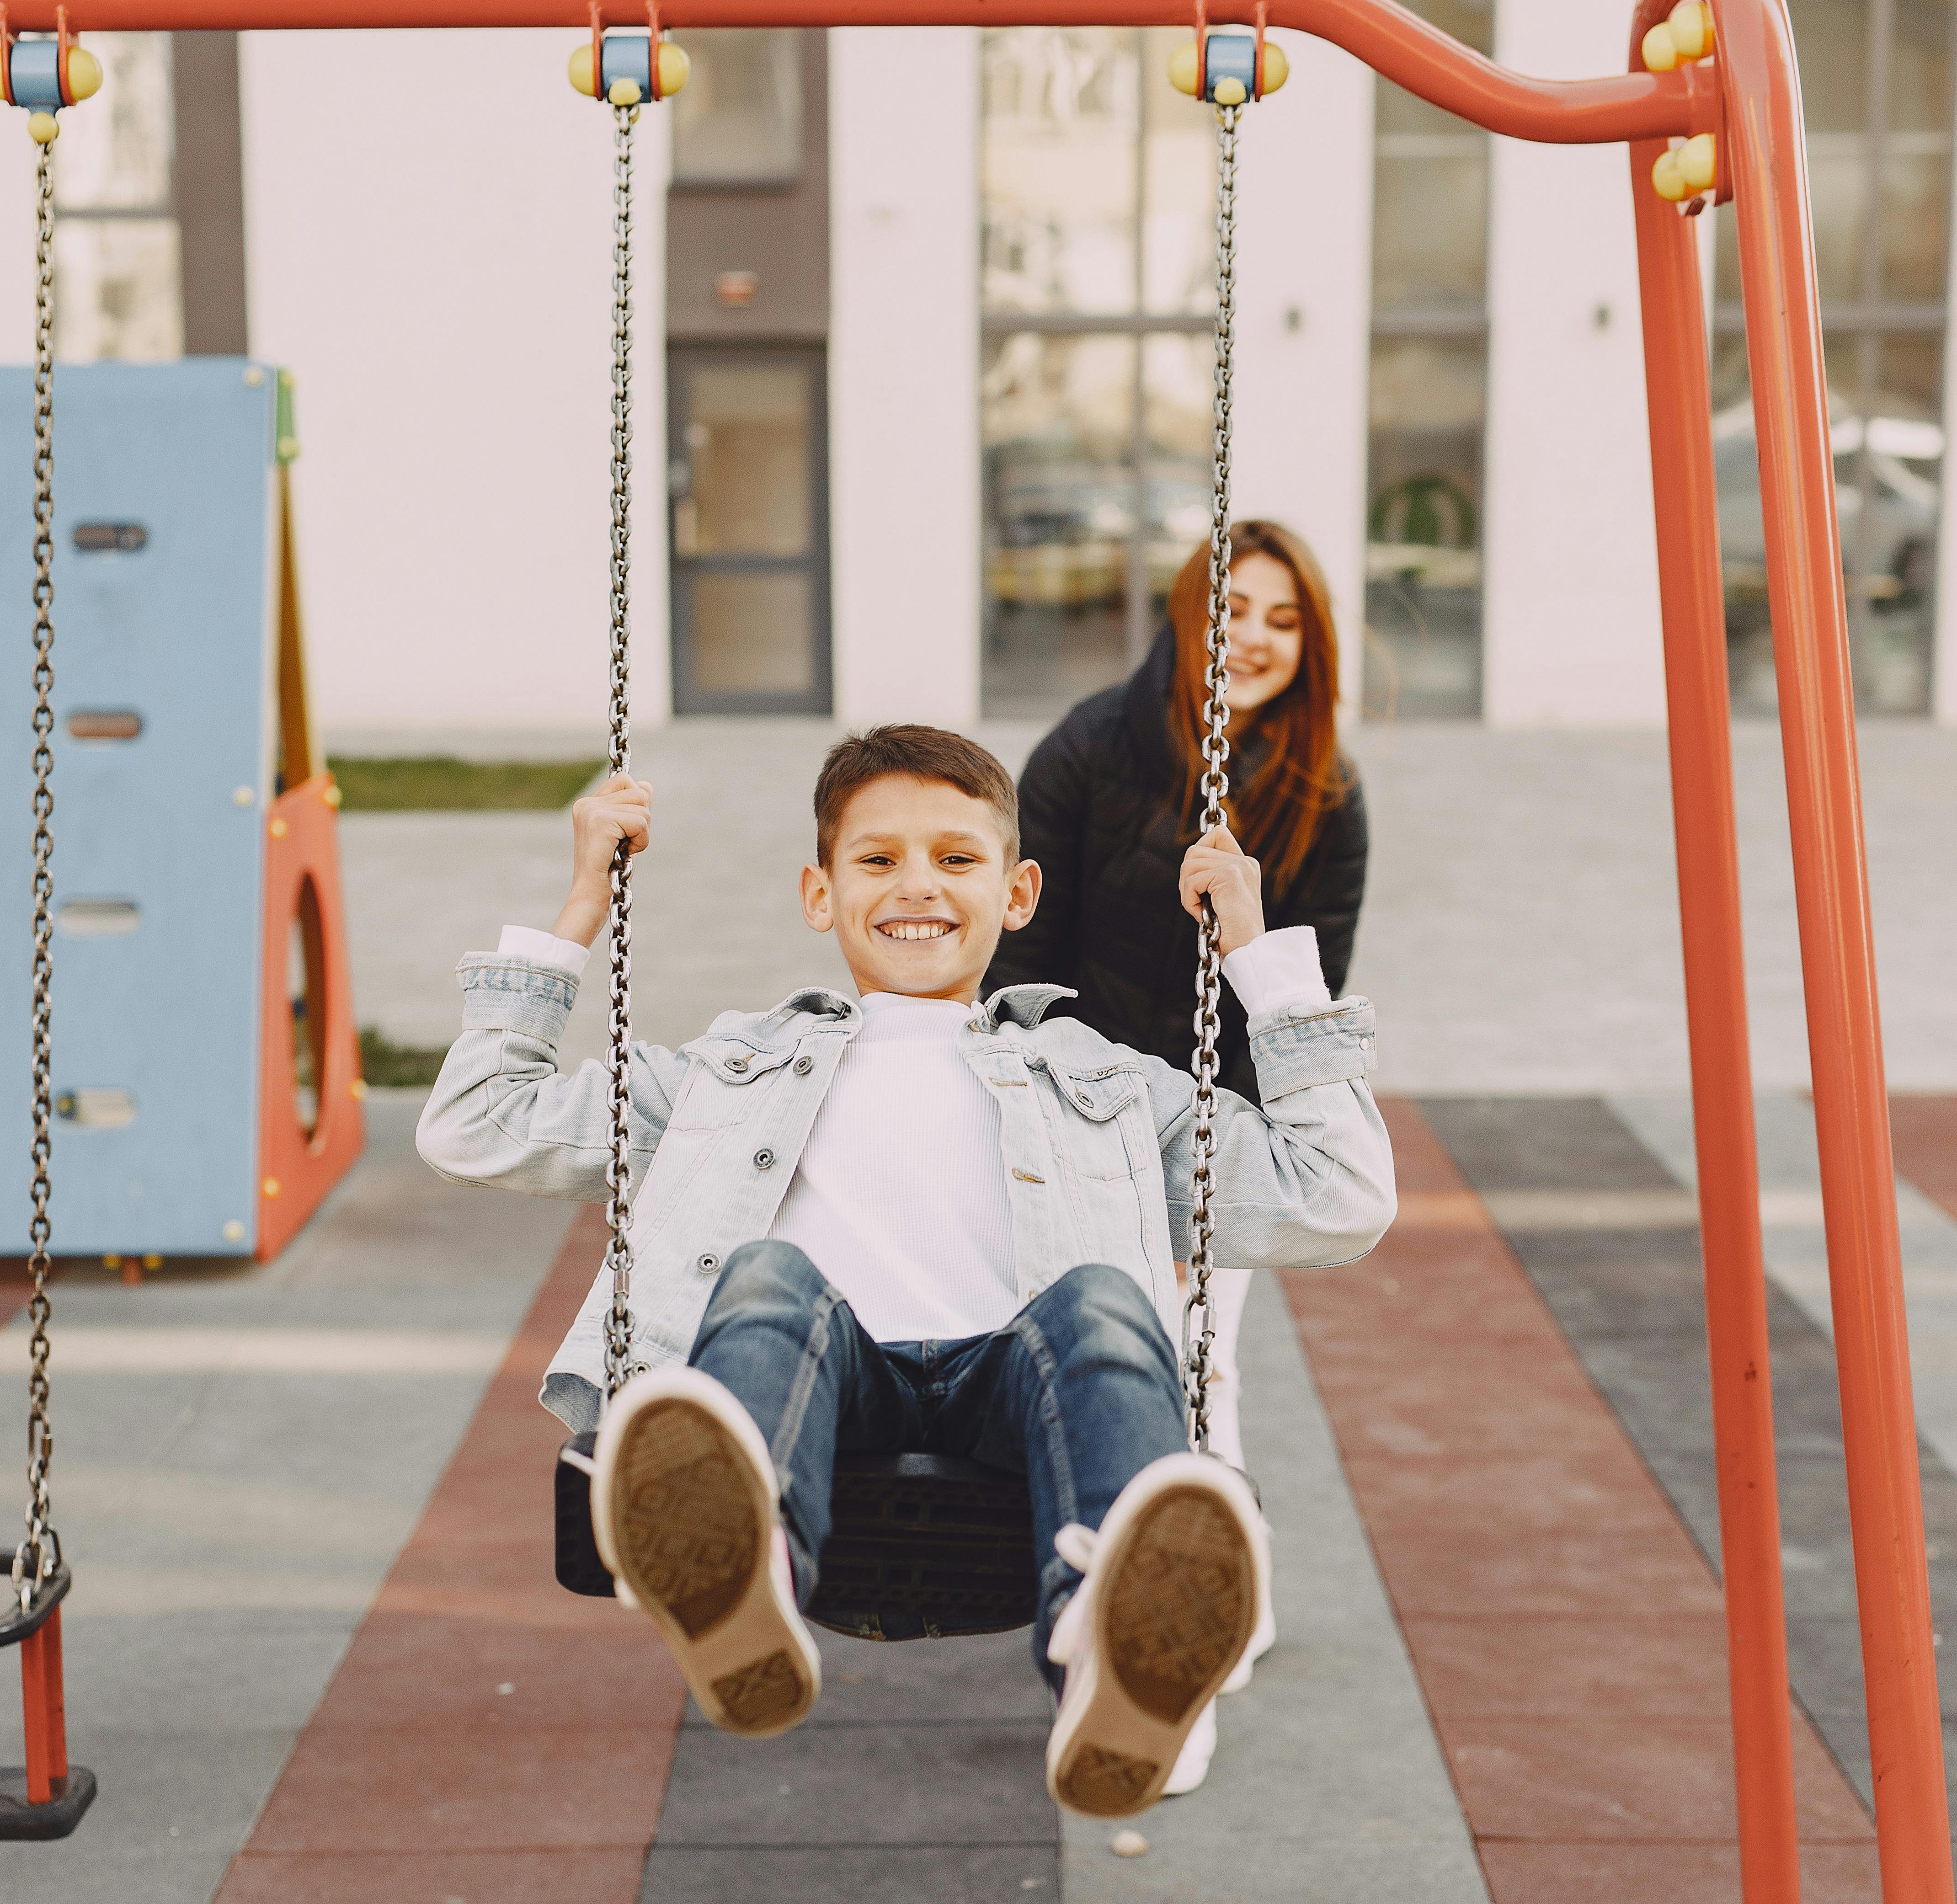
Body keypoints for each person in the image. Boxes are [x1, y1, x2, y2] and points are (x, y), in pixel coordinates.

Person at [416, 723, 1393, 1819]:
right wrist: (583, 902)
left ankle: (1105, 1634)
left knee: (1104, 1304)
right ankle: (742, 1563)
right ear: (818, 893)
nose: (917, 885)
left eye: (957, 859)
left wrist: (1258, 954)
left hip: (1018, 1408)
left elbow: (1338, 1198)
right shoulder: (727, 1073)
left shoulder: (1110, 1082)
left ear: (1018, 893)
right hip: (817, 1398)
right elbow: (478, 1126)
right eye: (877, 859)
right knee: (768, 1277)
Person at [986, 521, 1369, 1719]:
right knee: (1090, 1364)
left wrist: (1217, 1190)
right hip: (1074, 1112)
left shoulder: (1325, 801)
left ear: (1311, 643)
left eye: (1282, 617)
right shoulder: (1089, 751)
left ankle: (1201, 1629)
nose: (1252, 638)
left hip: (1217, 1128)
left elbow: (1289, 1018)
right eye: (1231, 609)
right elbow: (1021, 968)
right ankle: (1108, 1590)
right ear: (1185, 617)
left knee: (1200, 1368)